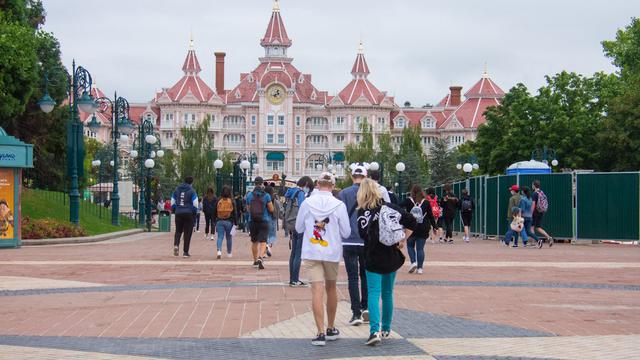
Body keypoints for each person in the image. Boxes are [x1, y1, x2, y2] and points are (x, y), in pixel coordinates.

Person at [356, 178, 416, 346]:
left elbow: (362, 235)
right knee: (388, 293)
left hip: (373, 256)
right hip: (392, 255)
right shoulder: (391, 208)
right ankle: (386, 329)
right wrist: (403, 238)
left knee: (373, 294)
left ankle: (374, 330)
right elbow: (412, 220)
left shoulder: (362, 212)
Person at [295, 172, 351, 346]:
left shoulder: (307, 203)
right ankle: (331, 327)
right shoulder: (339, 205)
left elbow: (298, 228)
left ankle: (319, 333)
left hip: (312, 252)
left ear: (317, 185)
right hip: (331, 253)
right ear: (333, 186)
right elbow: (346, 232)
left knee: (316, 291)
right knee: (331, 288)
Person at [337, 164, 369, 326]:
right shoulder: (371, 193)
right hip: (366, 240)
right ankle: (366, 307)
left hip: (348, 239)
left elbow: (338, 216)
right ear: (366, 177)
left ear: (352, 177)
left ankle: (355, 313)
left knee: (352, 277)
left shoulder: (343, 193)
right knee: (365, 275)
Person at [284, 176, 314, 287]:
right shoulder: (300, 193)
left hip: (291, 223)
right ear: (306, 184)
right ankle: (295, 279)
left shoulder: (290, 192)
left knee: (293, 253)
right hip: (299, 224)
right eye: (309, 187)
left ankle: (292, 278)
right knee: (298, 254)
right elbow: (303, 209)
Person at [401, 185, 437, 274]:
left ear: (412, 191)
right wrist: (434, 226)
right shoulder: (426, 202)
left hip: (411, 227)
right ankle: (420, 268)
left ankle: (413, 262)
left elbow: (398, 206)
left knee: (410, 246)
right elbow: (430, 216)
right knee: (420, 249)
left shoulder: (408, 200)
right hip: (423, 227)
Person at [245, 177, 274, 270]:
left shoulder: (249, 195)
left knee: (254, 241)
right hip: (264, 220)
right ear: (262, 184)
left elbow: (248, 209)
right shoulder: (266, 195)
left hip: (252, 221)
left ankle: (255, 260)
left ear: (254, 184)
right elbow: (271, 209)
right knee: (263, 241)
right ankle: (261, 257)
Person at [171, 176, 198, 257]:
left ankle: (176, 245)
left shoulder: (177, 189)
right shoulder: (192, 191)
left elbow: (172, 201)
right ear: (191, 183)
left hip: (178, 213)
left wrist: (175, 209)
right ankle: (185, 252)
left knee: (178, 231)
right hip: (188, 214)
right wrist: (193, 212)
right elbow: (195, 203)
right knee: (187, 233)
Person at [215, 185, 237, 258]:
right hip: (229, 221)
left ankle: (219, 251)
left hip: (219, 221)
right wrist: (235, 222)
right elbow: (235, 213)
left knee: (220, 237)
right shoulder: (232, 200)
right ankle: (229, 253)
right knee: (229, 237)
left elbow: (214, 210)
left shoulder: (218, 200)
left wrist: (215, 220)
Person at [532, 180, 554, 247]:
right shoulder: (541, 192)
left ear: (534, 185)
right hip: (541, 211)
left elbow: (533, 204)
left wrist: (531, 212)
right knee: (538, 227)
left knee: (531, 227)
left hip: (535, 212)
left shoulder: (535, 193)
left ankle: (534, 242)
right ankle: (549, 237)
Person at [264, 185, 282, 257]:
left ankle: (265, 250)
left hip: (264, 218)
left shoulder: (263, 198)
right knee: (272, 235)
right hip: (273, 219)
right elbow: (280, 210)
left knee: (265, 235)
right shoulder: (275, 200)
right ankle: (268, 247)